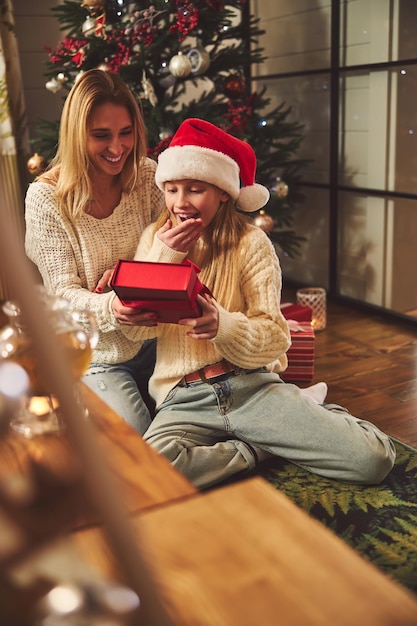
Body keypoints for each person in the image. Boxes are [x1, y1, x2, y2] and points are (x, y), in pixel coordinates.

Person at [119, 117, 396, 489]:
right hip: (182, 398)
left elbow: (275, 337)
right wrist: (168, 257)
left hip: (249, 386)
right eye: (171, 189)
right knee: (148, 476)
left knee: (373, 460)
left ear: (223, 192)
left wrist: (224, 326)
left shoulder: (252, 244)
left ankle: (314, 415)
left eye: (194, 189)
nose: (179, 203)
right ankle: (258, 449)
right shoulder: (155, 238)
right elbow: (135, 329)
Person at [24, 69, 168, 433]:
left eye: (126, 133)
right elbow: (61, 294)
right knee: (137, 438)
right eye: (101, 136)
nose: (117, 149)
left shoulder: (148, 178)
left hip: (159, 339)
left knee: (214, 413)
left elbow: (171, 256)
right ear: (76, 135)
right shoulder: (46, 199)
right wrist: (112, 305)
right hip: (96, 356)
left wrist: (128, 275)